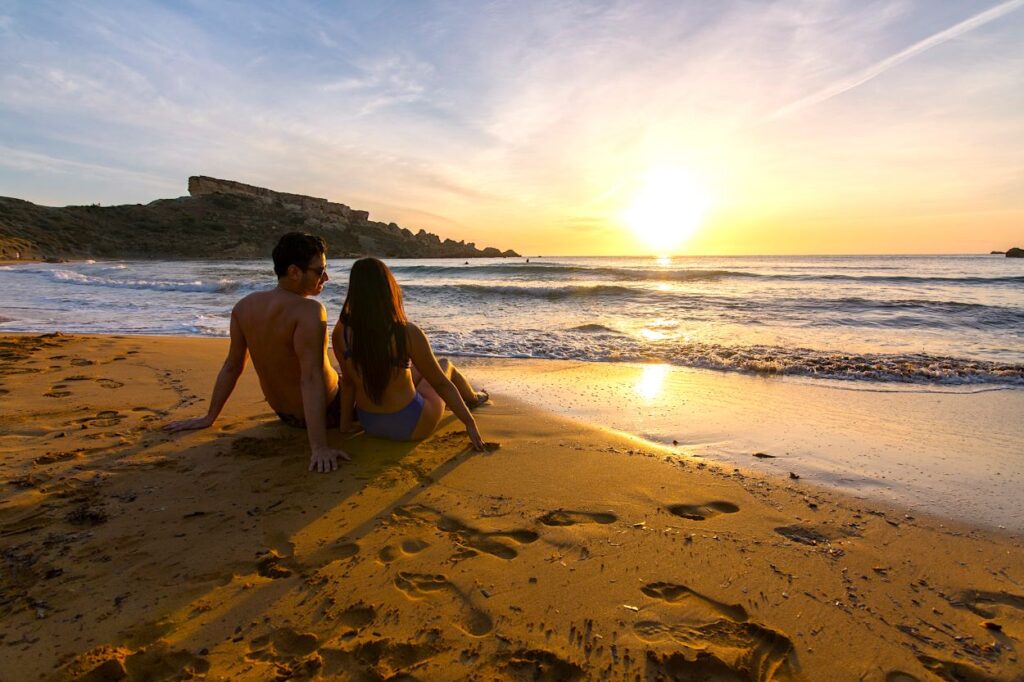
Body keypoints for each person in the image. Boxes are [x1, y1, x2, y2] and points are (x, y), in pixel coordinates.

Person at [164, 232, 349, 473]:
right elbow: (311, 378)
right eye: (319, 271)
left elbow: (232, 366)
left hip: (285, 414)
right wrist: (319, 448)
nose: (326, 277)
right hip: (329, 413)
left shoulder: (244, 306)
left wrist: (209, 417)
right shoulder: (309, 310)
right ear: (294, 272)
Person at [333, 258, 489, 450]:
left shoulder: (341, 332)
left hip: (370, 422)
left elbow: (348, 382)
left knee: (412, 369)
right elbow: (441, 384)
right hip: (410, 424)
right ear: (388, 288)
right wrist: (470, 423)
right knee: (444, 365)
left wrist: (345, 426)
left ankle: (472, 397)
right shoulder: (406, 332)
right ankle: (473, 399)